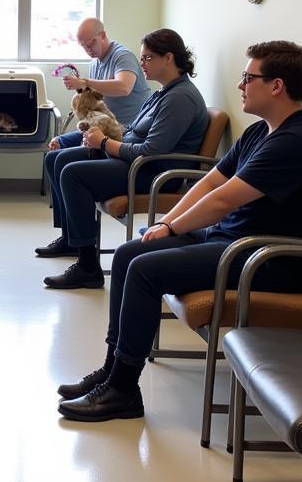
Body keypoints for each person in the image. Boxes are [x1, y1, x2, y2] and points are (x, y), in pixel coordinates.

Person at [57, 40, 302, 423]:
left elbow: (224, 200)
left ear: (276, 86)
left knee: (144, 270)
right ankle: (113, 368)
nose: (241, 85)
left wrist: (171, 225)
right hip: (233, 241)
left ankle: (124, 390)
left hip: (270, 260)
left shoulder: (296, 141)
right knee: (129, 253)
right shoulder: (262, 132)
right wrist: (164, 223)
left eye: (248, 78)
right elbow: (210, 182)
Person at [41, 29, 209, 289]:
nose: (142, 63)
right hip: (134, 163)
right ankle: (72, 239)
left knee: (73, 173)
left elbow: (152, 150)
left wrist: (106, 143)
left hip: (152, 173)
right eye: (142, 58)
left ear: (168, 58)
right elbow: (131, 134)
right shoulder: (162, 92)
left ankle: (87, 267)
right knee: (57, 159)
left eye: (147, 58)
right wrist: (98, 140)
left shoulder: (180, 98)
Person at [47, 17, 151, 153]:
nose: (88, 50)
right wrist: (81, 88)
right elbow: (97, 96)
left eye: (90, 44)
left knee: (65, 158)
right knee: (56, 146)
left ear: (102, 36)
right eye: (84, 47)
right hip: (100, 125)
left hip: (123, 131)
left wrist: (85, 82)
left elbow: (124, 87)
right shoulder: (95, 63)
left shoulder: (123, 57)